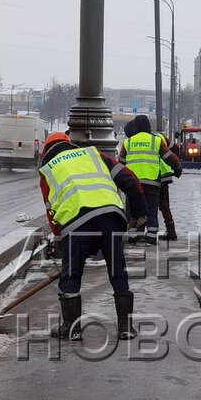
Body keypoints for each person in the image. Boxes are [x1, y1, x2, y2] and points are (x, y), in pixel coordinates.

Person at [38, 132, 148, 340]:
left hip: (76, 223)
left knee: (71, 275)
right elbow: (130, 179)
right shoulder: (93, 154)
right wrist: (141, 212)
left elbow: (51, 211)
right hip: (111, 217)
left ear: (46, 153)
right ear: (70, 144)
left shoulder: (48, 170)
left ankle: (72, 328)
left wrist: (61, 240)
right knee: (118, 271)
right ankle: (125, 327)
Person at [119, 114, 182, 244]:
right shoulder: (155, 140)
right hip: (152, 182)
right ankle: (152, 238)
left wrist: (120, 181)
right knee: (152, 209)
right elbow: (170, 157)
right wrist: (177, 168)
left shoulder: (128, 142)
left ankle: (133, 236)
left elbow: (120, 163)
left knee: (133, 210)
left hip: (133, 184)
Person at [157, 134, 182, 242]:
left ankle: (142, 233)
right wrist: (173, 165)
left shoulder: (135, 140)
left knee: (149, 206)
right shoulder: (160, 137)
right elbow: (175, 148)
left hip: (151, 175)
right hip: (164, 174)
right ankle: (171, 231)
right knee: (164, 205)